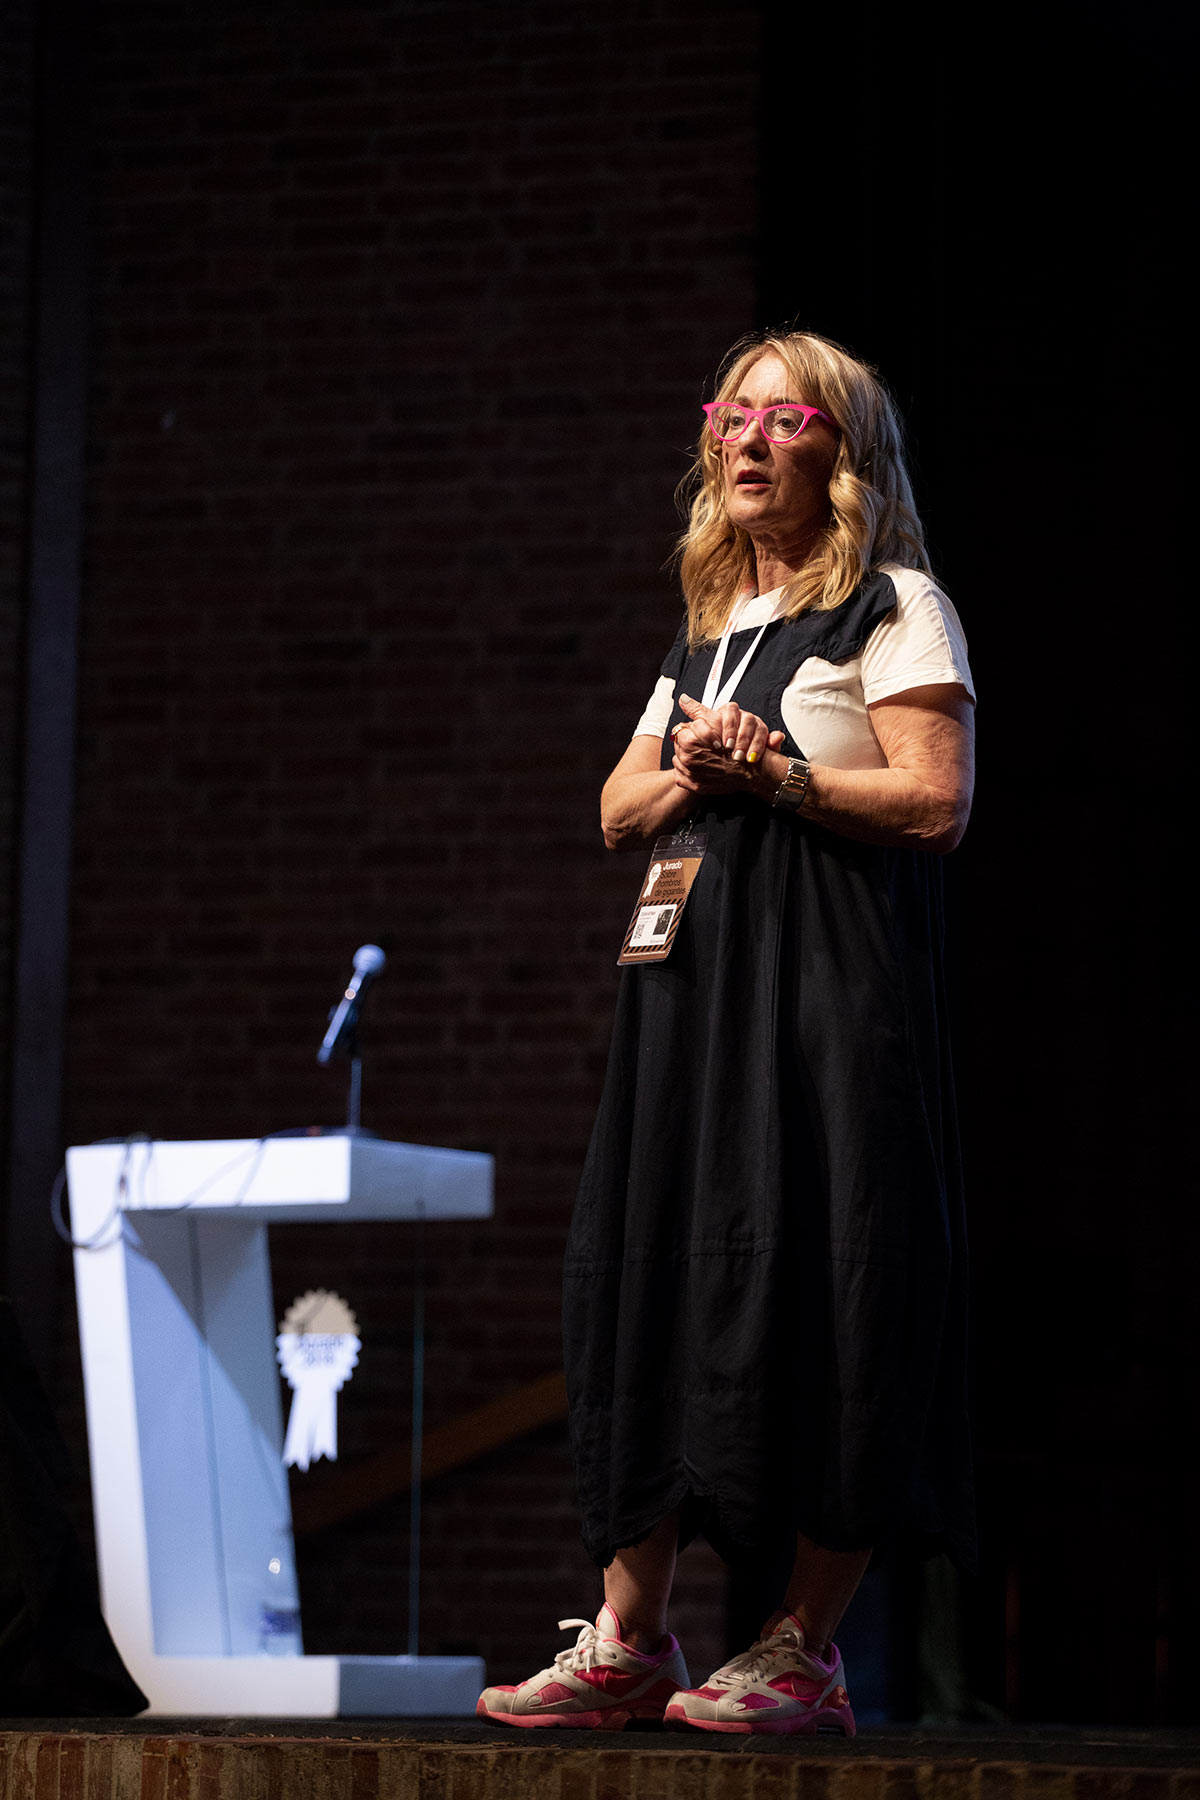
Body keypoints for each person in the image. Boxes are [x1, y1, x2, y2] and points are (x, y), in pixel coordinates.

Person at [478, 330, 976, 1736]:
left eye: (787, 419)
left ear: (844, 451)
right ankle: (630, 1637)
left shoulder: (895, 605)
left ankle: (801, 1649)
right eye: (732, 417)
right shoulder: (712, 632)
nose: (749, 440)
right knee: (647, 1270)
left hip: (824, 1003)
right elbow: (617, 807)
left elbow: (937, 802)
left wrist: (781, 776)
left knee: (831, 1276)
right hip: (689, 1006)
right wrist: (700, 766)